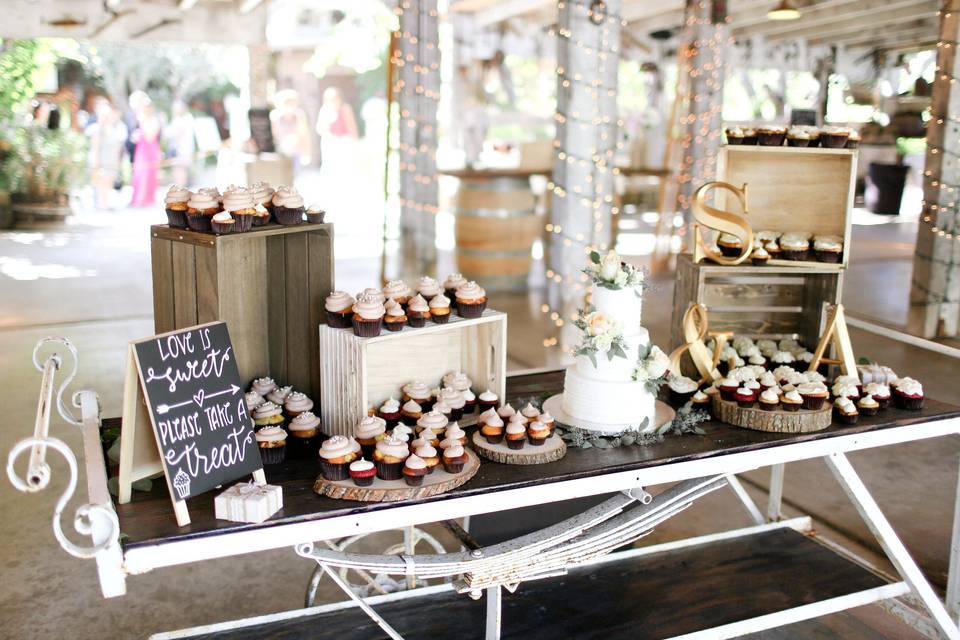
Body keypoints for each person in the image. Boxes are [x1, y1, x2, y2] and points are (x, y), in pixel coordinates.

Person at [87, 98, 128, 210]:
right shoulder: (98, 130)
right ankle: (101, 205)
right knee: (101, 184)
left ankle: (104, 204)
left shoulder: (114, 129)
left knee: (109, 183)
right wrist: (96, 164)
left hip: (112, 161)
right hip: (102, 161)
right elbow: (95, 148)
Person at [129, 92, 162, 207]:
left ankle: (144, 199)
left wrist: (141, 129)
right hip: (141, 151)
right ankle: (138, 198)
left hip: (149, 151)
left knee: (146, 173)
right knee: (139, 173)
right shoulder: (142, 120)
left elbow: (150, 137)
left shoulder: (153, 120)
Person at [269, 89, 311, 169]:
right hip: (280, 152)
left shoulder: (300, 116)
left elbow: (304, 135)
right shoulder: (275, 117)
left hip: (296, 152)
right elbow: (273, 135)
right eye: (287, 103)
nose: (290, 106)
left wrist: (306, 153)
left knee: (294, 175)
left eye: (292, 103)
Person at [164, 100, 196, 188]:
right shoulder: (178, 119)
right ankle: (180, 186)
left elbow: (176, 133)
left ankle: (181, 187)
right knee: (177, 168)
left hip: (182, 149)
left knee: (181, 169)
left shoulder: (186, 118)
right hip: (178, 148)